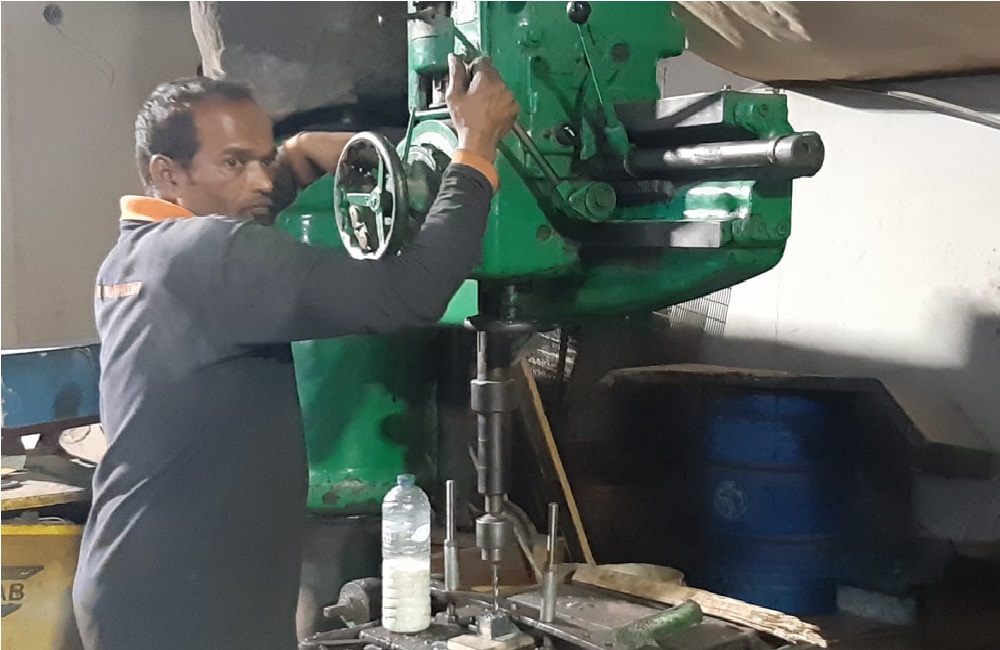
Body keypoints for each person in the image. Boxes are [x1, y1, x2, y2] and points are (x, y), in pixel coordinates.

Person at [72, 54, 518, 650]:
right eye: (234, 162)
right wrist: (476, 153)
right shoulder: (212, 253)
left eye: (265, 159)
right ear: (167, 172)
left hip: (139, 580)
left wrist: (300, 156)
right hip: (189, 607)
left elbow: (246, 211)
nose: (260, 181)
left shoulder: (132, 257)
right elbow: (410, 295)